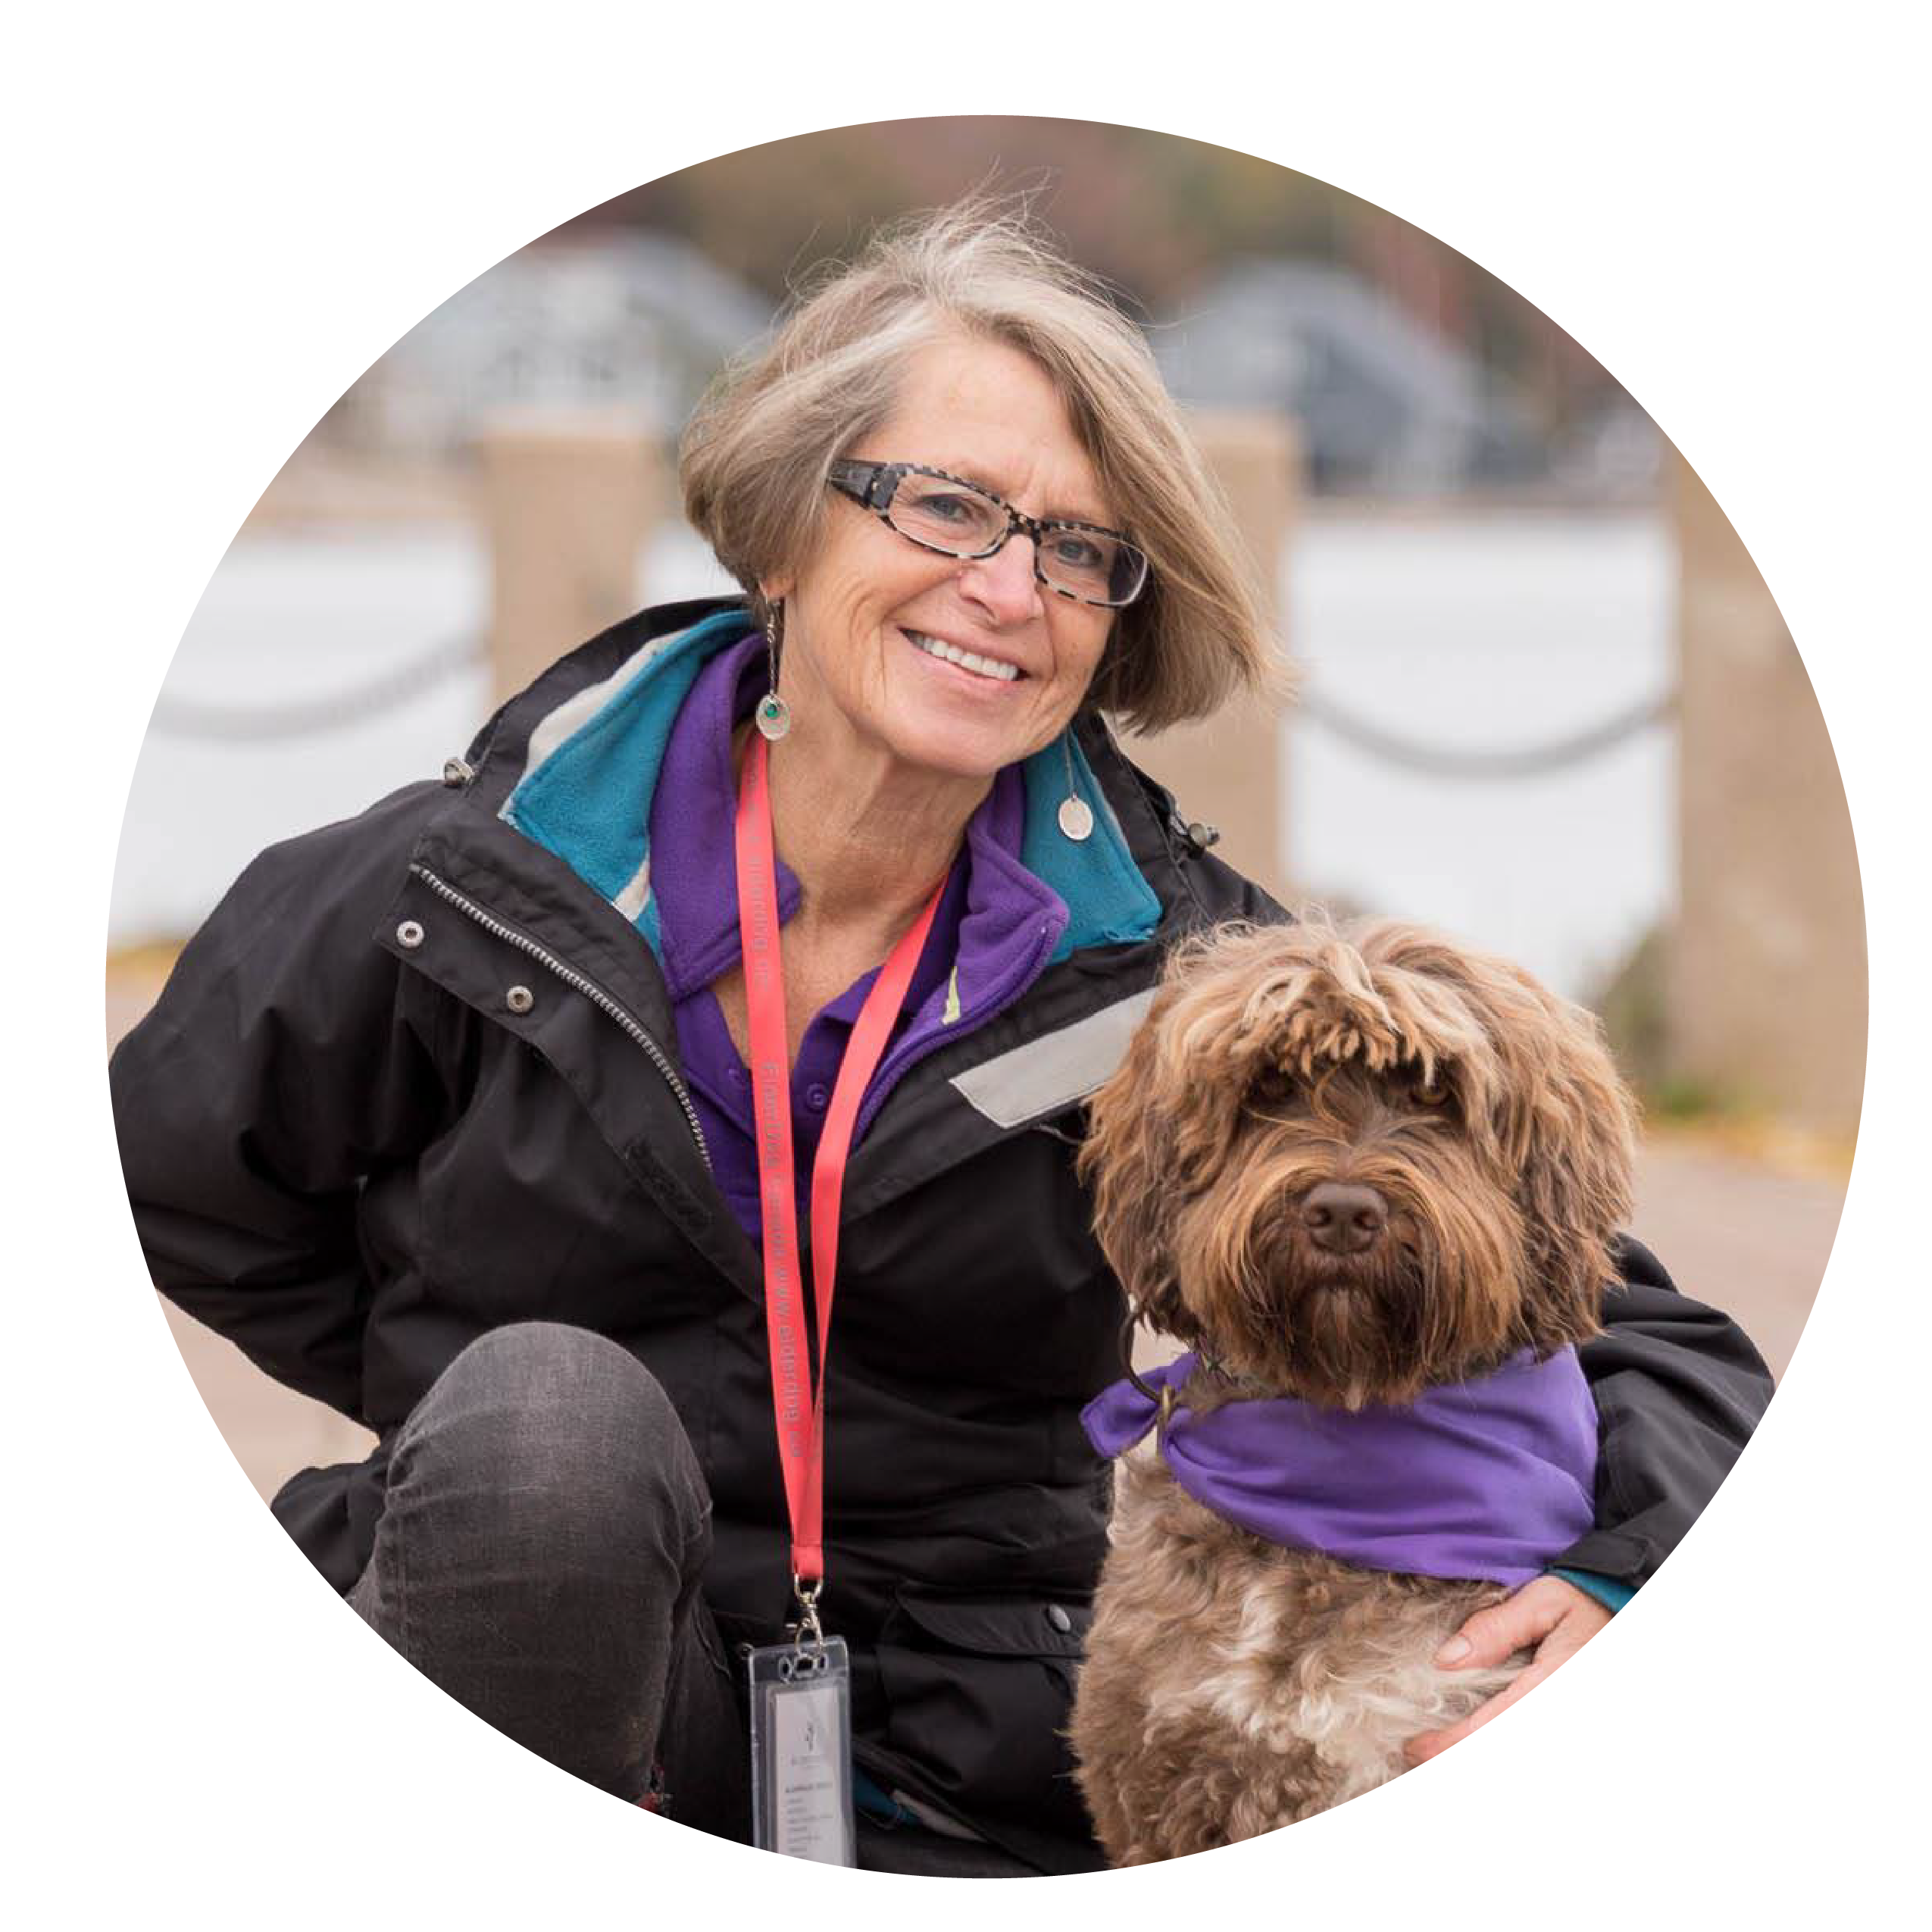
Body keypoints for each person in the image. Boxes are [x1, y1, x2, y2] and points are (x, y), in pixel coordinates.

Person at [109, 201, 1774, 1877]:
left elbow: (1605, 1309)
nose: (1005, 588)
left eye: (1077, 549)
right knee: (545, 1427)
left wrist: (1624, 1574)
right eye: (949, 505)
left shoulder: (1186, 969)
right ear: (784, 528)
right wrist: (445, 1374)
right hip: (534, 1652)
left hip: (974, 1733)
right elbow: (149, 1180)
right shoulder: (473, 878)